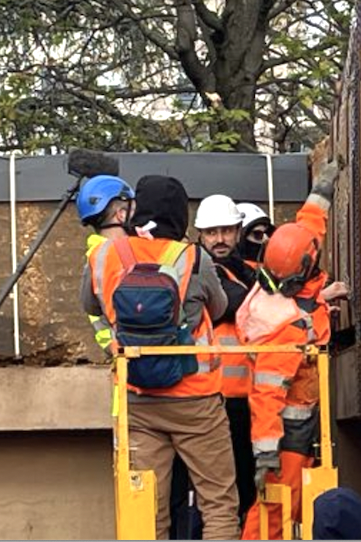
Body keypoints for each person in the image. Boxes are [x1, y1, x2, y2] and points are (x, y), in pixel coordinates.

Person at [86, 175, 237, 540]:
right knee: (217, 501)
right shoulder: (194, 257)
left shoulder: (104, 254)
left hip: (138, 396)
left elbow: (91, 305)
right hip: (196, 399)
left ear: (135, 212)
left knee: (146, 507)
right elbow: (219, 308)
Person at [237, 158, 340, 540]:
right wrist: (266, 452)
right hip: (288, 430)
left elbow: (308, 225)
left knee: (290, 505)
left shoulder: (286, 258)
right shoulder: (283, 326)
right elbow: (267, 392)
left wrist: (323, 190)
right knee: (280, 508)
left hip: (300, 415)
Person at [194, 194, 258, 523]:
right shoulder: (201, 271)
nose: (219, 239)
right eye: (211, 232)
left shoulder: (248, 272)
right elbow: (236, 305)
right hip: (214, 397)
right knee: (218, 492)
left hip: (252, 397)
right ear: (200, 236)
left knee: (249, 486)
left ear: (237, 231)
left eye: (226, 231)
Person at [77, 175, 136, 359]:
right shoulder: (128, 253)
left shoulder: (94, 257)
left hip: (122, 359)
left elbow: (93, 313)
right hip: (146, 358)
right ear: (122, 214)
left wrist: (112, 345)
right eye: (133, 209)